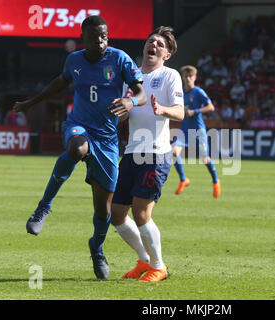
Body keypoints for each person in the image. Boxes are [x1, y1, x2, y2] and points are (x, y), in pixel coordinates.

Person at [13, 16, 147, 280]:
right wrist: (32, 102)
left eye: (104, 36)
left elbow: (140, 92)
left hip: (108, 140)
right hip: (79, 126)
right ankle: (44, 206)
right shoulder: (74, 61)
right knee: (77, 148)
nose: (100, 41)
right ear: (83, 38)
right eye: (95, 37)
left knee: (103, 211)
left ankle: (96, 248)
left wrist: (132, 102)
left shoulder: (119, 58)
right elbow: (60, 83)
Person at [110, 26, 184, 282]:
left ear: (167, 55)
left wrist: (162, 109)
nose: (153, 45)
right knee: (117, 214)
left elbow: (180, 112)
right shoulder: (131, 78)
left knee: (141, 212)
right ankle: (144, 260)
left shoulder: (169, 75)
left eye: (160, 44)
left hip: (156, 153)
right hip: (131, 152)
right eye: (151, 41)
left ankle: (159, 266)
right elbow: (124, 110)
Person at [172, 65, 221, 198]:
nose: (188, 78)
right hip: (184, 129)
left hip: (198, 130)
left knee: (205, 158)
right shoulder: (180, 93)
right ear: (182, 78)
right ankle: (183, 179)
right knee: (174, 152)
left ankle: (216, 181)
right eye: (185, 76)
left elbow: (210, 107)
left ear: (194, 78)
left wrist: (195, 111)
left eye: (190, 76)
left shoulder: (198, 92)